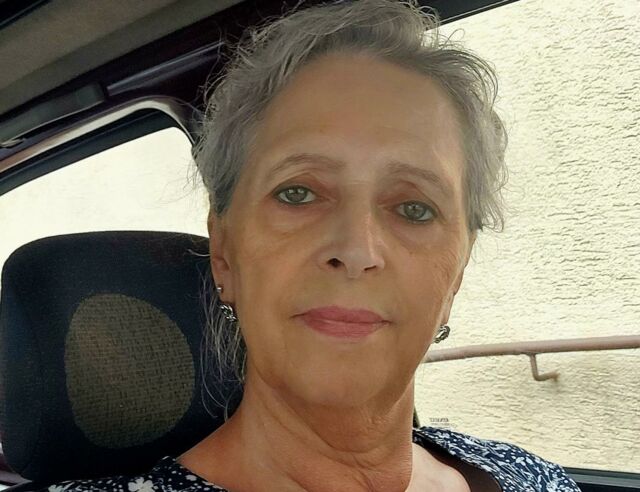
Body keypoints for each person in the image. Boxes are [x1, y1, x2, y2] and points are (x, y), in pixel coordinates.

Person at [47, 0, 581, 490]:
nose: (356, 249)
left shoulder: (535, 479)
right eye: (298, 193)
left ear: (457, 272)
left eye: (414, 208)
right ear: (224, 253)